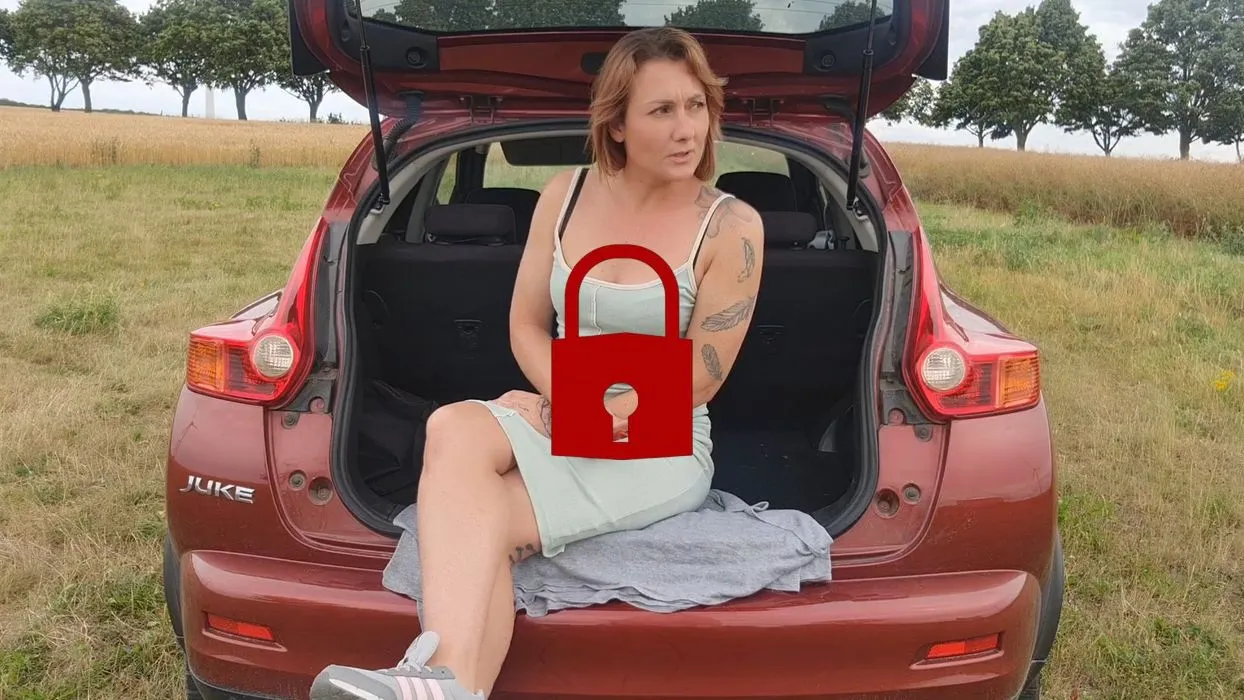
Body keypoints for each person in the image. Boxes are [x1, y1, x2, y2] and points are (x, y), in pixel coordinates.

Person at [310, 25, 765, 700]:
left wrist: (574, 407)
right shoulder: (563, 195)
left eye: (696, 106)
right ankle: (443, 686)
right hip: (566, 409)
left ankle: (436, 680)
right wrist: (563, 401)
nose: (687, 129)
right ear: (616, 125)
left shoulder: (732, 226)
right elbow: (525, 324)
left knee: (483, 519)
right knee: (452, 427)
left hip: (660, 441)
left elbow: (701, 377)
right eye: (662, 110)